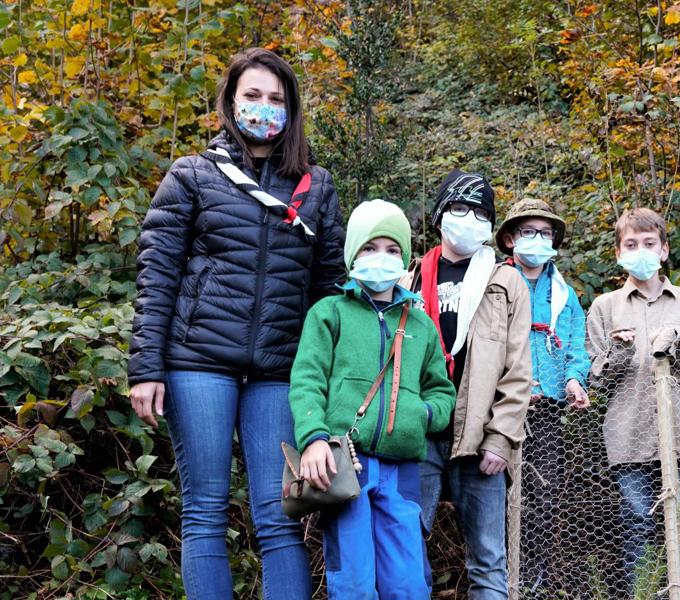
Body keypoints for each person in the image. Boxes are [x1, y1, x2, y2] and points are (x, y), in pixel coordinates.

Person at [127, 47, 345, 599]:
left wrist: (329, 387)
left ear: (291, 110)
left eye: (276, 98)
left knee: (278, 517)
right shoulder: (193, 176)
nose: (263, 107)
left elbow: (328, 295)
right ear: (230, 102)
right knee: (204, 510)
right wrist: (145, 366)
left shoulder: (315, 188)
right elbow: (157, 273)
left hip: (279, 369)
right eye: (252, 95)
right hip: (195, 361)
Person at [289, 199, 456, 599]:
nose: (381, 257)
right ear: (352, 254)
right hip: (346, 464)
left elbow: (442, 390)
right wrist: (313, 437)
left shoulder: (421, 324)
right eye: (370, 247)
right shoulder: (329, 313)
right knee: (354, 582)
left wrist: (424, 413)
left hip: (403, 471)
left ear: (405, 259)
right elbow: (307, 380)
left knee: (409, 584)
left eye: (392, 249)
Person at [403, 169, 532, 600]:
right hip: (418, 434)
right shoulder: (411, 278)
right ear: (440, 215)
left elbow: (518, 368)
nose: (469, 219)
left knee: (489, 560)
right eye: (459, 208)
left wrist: (501, 438)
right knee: (404, 551)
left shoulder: (505, 280)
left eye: (481, 213)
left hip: (480, 441)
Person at [585, 207, 680, 599]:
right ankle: (644, 594)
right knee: (637, 524)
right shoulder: (604, 307)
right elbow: (597, 377)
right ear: (618, 252)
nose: (640, 250)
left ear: (663, 251)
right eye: (631, 244)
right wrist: (619, 351)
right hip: (627, 437)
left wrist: (679, 343)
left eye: (648, 243)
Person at [494, 198, 591, 596]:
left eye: (545, 233)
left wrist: (573, 379)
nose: (537, 239)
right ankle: (498, 578)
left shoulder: (565, 293)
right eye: (528, 232)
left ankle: (530, 580)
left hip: (548, 409)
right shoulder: (495, 282)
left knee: (543, 496)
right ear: (511, 239)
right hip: (500, 408)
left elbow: (576, 346)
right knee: (497, 495)